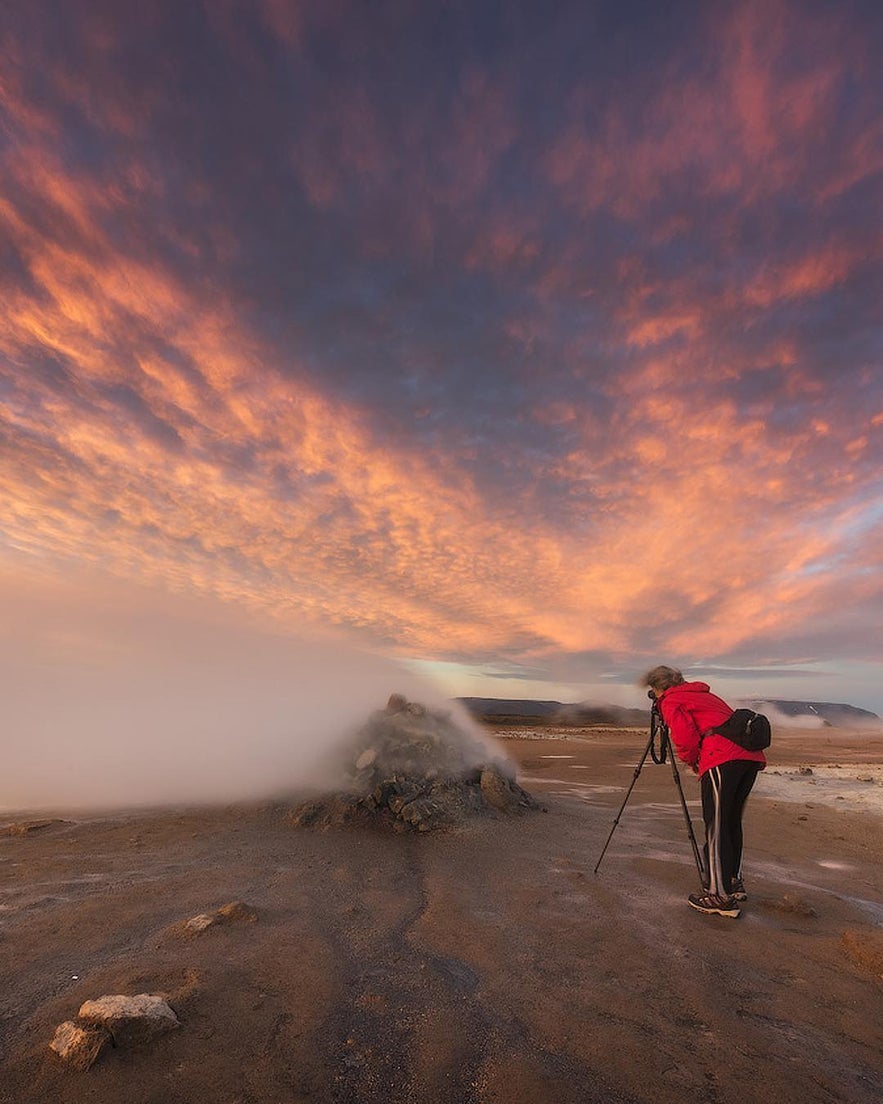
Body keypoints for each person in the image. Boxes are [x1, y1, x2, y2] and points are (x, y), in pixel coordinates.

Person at [643, 665, 766, 918]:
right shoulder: (702, 694)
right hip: (750, 758)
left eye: (653, 690)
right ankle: (732, 882)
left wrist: (693, 763)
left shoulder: (672, 700)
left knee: (716, 825)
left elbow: (686, 738)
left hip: (721, 757)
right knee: (730, 821)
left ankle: (719, 897)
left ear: (659, 688)